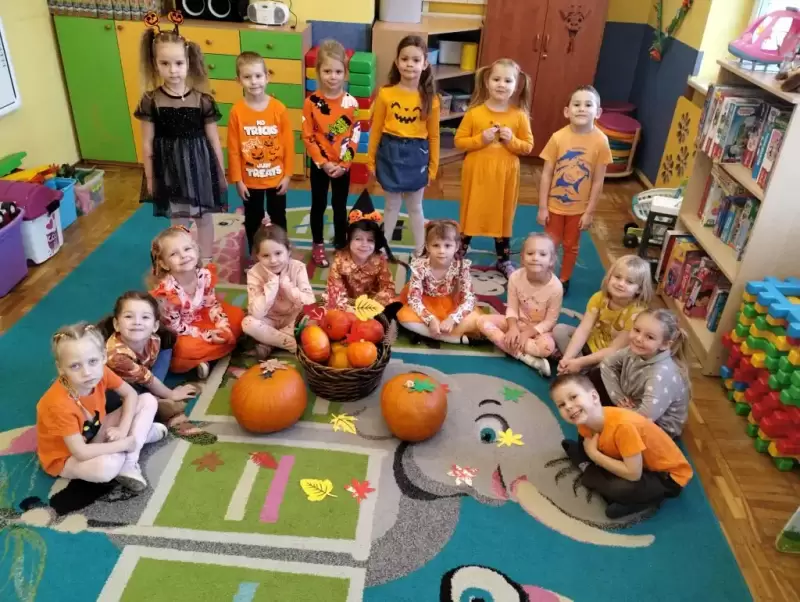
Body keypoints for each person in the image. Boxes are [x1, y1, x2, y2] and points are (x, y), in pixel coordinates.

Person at [136, 15, 226, 262]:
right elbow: (147, 143)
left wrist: (220, 173)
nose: (173, 70)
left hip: (199, 168)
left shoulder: (203, 100)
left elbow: (214, 141)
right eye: (165, 63)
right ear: (155, 64)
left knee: (204, 217)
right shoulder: (151, 101)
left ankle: (205, 261)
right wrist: (151, 178)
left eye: (178, 63)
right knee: (178, 218)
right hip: (170, 169)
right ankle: (182, 258)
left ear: (188, 62)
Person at [36, 323, 166, 492]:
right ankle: (141, 435)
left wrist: (122, 429)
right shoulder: (58, 404)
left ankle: (129, 462)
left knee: (148, 400)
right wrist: (123, 444)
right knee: (105, 469)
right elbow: (81, 452)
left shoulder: (101, 371)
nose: (87, 372)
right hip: (67, 457)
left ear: (103, 356)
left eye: (92, 361)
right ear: (60, 368)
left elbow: (130, 394)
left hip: (96, 433)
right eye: (75, 366)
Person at [550, 373, 693, 518]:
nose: (568, 407)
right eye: (561, 405)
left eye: (573, 397)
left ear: (594, 397)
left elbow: (633, 474)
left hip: (667, 478)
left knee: (619, 489)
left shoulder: (623, 427)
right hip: (630, 460)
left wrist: (594, 455)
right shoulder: (584, 419)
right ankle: (593, 473)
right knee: (583, 447)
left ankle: (591, 472)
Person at [99, 291, 214, 444]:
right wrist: (171, 394)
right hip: (115, 389)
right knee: (118, 400)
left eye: (145, 317)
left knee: (167, 347)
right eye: (129, 317)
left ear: (154, 326)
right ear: (116, 325)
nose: (137, 322)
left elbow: (164, 353)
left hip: (142, 375)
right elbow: (148, 379)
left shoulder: (156, 338)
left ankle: (154, 399)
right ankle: (152, 406)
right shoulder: (117, 355)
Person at [455, 58, 533, 278]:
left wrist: (512, 141)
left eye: (508, 80)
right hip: (477, 173)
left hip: (505, 175)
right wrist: (480, 139)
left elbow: (528, 146)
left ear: (516, 85)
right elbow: (459, 141)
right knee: (472, 211)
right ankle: (459, 255)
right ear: (487, 81)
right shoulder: (474, 113)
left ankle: (503, 260)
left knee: (502, 214)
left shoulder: (519, 116)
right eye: (496, 79)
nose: (501, 84)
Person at [368, 35, 440, 255]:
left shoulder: (431, 99)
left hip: (417, 156)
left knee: (415, 206)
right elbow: (376, 129)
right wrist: (370, 160)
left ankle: (420, 249)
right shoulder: (386, 94)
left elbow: (434, 137)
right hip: (390, 153)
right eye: (405, 59)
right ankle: (383, 247)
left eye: (416, 60)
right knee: (391, 205)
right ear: (397, 62)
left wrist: (433, 167)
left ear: (425, 64)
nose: (410, 64)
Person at [537, 85, 612, 294]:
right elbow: (546, 174)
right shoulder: (557, 137)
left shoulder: (601, 141)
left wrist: (589, 212)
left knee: (571, 245)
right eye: (577, 104)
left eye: (588, 104)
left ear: (598, 112)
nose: (582, 108)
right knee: (550, 244)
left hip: (578, 209)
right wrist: (542, 207)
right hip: (554, 205)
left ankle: (564, 278)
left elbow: (598, 181)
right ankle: (546, 275)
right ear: (566, 111)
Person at [149, 225, 245, 377]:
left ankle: (207, 357)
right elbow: (176, 327)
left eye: (187, 249)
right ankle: (202, 359)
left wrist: (222, 327)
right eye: (174, 254)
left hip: (202, 315)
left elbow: (211, 304)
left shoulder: (204, 275)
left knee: (238, 316)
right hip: (182, 330)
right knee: (182, 349)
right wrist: (207, 334)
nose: (183, 256)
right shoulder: (167, 293)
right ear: (164, 264)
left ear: (196, 251)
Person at [228, 51, 294, 251]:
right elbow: (233, 149)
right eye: (247, 77)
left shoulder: (279, 109)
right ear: (238, 80)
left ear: (267, 77)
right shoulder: (237, 112)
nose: (254, 81)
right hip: (250, 180)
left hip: (277, 177)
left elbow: (288, 145)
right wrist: (238, 180)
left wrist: (287, 175)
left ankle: (281, 251)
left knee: (279, 216)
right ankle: (256, 253)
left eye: (258, 76)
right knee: (253, 218)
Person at [302, 39, 360, 268]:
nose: (333, 76)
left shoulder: (351, 103)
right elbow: (308, 136)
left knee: (339, 206)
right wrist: (323, 162)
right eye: (327, 71)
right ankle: (317, 244)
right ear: (318, 71)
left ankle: (341, 243)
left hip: (342, 166)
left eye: (338, 71)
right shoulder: (311, 103)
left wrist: (344, 164)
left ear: (345, 73)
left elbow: (354, 134)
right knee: (318, 205)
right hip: (320, 166)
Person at [596, 309, 691, 438]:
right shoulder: (635, 349)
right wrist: (619, 399)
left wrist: (621, 412)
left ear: (664, 345)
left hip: (655, 427)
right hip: (634, 404)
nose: (639, 338)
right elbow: (607, 364)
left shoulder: (661, 374)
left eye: (650, 337)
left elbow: (644, 418)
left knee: (601, 434)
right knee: (594, 376)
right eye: (636, 330)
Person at [477, 233, 562, 375]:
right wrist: (513, 328)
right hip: (517, 323)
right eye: (530, 253)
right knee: (482, 321)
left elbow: (550, 322)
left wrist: (527, 334)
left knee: (547, 348)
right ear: (522, 258)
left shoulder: (556, 287)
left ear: (551, 260)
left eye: (542, 254)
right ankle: (525, 357)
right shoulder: (515, 277)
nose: (535, 258)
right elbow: (512, 308)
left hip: (539, 330)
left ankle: (510, 345)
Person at [555, 254, 652, 375]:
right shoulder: (599, 297)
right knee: (560, 330)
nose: (621, 284)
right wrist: (567, 359)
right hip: (590, 343)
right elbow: (583, 330)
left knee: (606, 368)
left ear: (639, 289)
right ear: (609, 277)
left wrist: (579, 362)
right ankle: (575, 368)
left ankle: (579, 369)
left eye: (629, 282)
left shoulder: (637, 314)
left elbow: (614, 350)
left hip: (607, 357)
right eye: (617, 277)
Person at [397, 219, 481, 346]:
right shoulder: (420, 267)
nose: (441, 251)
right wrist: (430, 319)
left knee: (474, 320)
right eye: (436, 245)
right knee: (403, 317)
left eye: (447, 246)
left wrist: (453, 319)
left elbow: (469, 298)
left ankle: (433, 332)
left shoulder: (461, 267)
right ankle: (453, 338)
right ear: (427, 246)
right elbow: (414, 299)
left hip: (450, 303)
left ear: (456, 247)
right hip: (425, 302)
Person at [242, 219, 315, 358]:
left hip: (294, 318)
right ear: (257, 256)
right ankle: (290, 344)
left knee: (314, 316)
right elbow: (256, 314)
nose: (273, 261)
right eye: (265, 256)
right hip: (268, 319)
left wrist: (287, 287)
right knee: (247, 323)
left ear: (288, 251)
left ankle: (269, 343)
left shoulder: (298, 267)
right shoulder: (254, 273)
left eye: (278, 253)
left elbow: (309, 302)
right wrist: (271, 287)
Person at [325, 191, 398, 310]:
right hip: (346, 306)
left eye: (370, 240)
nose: (364, 244)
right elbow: (334, 290)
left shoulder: (379, 260)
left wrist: (368, 307)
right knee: (330, 305)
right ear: (349, 239)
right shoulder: (339, 260)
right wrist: (349, 309)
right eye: (358, 239)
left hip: (372, 306)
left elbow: (388, 288)